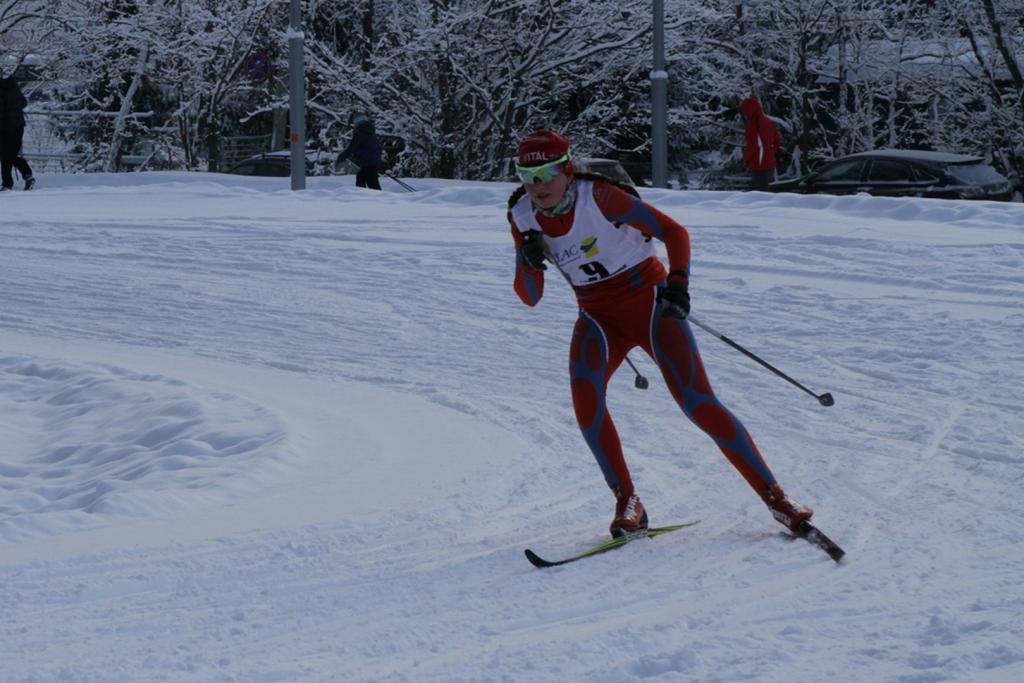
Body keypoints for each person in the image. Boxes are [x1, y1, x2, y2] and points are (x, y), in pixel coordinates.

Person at [507, 129, 813, 538]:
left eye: (545, 173)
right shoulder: (522, 216)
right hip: (598, 317)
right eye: (526, 175)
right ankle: (628, 500)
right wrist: (528, 260)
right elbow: (530, 298)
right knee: (586, 400)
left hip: (651, 305)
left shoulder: (598, 197)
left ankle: (776, 498)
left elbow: (675, 232)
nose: (536, 186)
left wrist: (679, 283)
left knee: (697, 403)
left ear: (566, 169)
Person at [0, 75, 34, 191]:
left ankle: (7, 184)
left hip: (5, 128)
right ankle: (27, 175)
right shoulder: (13, 86)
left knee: (5, 156)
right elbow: (24, 103)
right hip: (18, 126)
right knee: (9, 155)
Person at [740, 96, 781, 191]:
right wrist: (769, 152)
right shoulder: (768, 121)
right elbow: (777, 141)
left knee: (759, 196)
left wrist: (746, 160)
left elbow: (753, 146)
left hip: (758, 164)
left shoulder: (752, 124)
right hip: (770, 162)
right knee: (768, 192)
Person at [337, 113, 382, 190]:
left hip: (368, 161)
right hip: (373, 160)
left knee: (370, 181)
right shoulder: (370, 131)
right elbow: (373, 147)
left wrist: (341, 157)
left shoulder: (360, 132)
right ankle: (362, 195)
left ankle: (377, 198)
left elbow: (352, 147)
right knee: (363, 178)